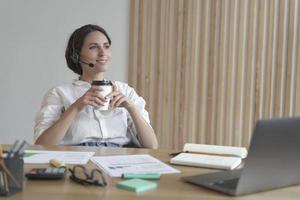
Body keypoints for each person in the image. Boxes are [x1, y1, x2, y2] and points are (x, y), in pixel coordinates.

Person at [34, 24, 158, 149]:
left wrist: (131, 108)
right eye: (93, 47)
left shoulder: (126, 91)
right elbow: (42, 145)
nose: (102, 53)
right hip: (79, 158)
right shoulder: (59, 93)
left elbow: (152, 145)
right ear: (76, 55)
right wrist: (76, 107)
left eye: (106, 46)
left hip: (119, 157)